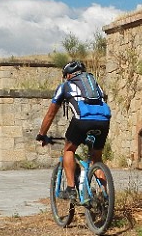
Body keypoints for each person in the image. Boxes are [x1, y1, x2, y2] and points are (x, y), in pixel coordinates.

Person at [37, 60, 111, 200]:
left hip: (82, 120)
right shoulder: (95, 85)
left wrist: (42, 134)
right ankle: (104, 196)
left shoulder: (65, 86)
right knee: (96, 159)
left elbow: (51, 114)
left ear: (68, 75)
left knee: (69, 150)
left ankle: (71, 189)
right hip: (103, 121)